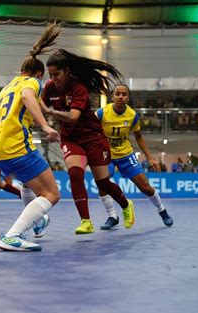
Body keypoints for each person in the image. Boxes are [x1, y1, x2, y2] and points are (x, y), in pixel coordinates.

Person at [42, 46, 135, 234]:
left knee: (103, 183)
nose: (53, 79)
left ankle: (126, 205)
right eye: (50, 75)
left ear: (67, 71)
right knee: (75, 174)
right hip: (70, 139)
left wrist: (50, 112)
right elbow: (38, 105)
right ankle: (86, 221)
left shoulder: (78, 88)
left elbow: (73, 116)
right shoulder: (50, 87)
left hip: (93, 137)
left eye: (56, 74)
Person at [0, 23, 61, 251]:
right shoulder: (32, 83)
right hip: (17, 147)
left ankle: (36, 224)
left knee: (28, 185)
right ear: (39, 74)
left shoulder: (7, 88)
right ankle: (12, 236)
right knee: (51, 194)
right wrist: (46, 126)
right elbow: (29, 97)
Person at [95, 84, 173, 229]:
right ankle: (112, 216)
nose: (120, 97)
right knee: (102, 183)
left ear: (128, 97)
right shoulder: (101, 113)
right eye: (117, 94)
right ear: (112, 97)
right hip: (106, 155)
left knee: (145, 187)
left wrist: (149, 157)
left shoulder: (132, 115)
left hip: (126, 154)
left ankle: (162, 211)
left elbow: (139, 137)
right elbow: (90, 131)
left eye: (124, 94)